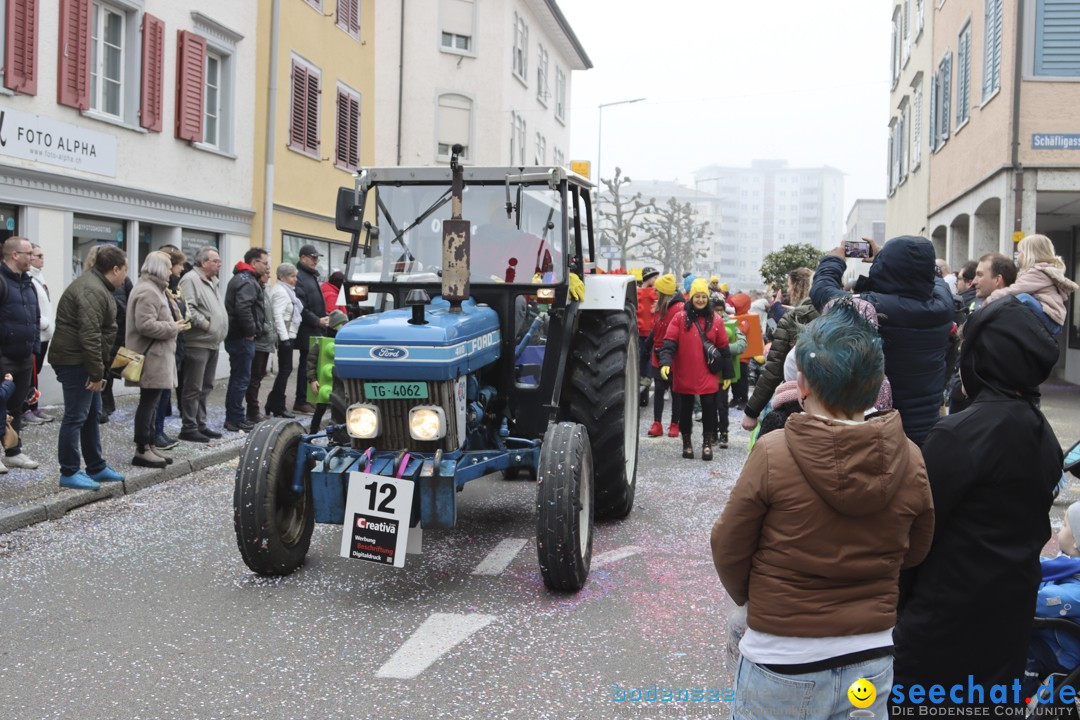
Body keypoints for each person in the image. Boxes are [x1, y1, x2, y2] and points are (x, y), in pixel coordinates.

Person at [712, 302, 934, 720]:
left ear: (804, 384)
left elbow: (729, 545)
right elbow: (917, 548)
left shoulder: (773, 452)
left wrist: (759, 595)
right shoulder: (910, 456)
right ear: (875, 386)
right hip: (870, 656)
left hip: (781, 656)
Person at [893, 295, 1064, 703]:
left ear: (980, 358)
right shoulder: (1042, 434)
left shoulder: (958, 435)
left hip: (941, 624)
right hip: (1008, 617)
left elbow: (916, 535)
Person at [810, 236, 953, 447]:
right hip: (927, 428)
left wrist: (834, 260)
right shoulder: (943, 305)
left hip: (882, 427)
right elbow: (935, 278)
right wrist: (886, 258)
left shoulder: (871, 308)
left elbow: (822, 292)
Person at [47, 245, 128, 490]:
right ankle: (69, 471)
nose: (126, 276)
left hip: (82, 361)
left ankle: (96, 466)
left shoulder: (97, 286)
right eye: (125, 270)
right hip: (76, 362)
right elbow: (90, 335)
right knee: (75, 417)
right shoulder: (92, 289)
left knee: (92, 414)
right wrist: (96, 373)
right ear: (115, 269)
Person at [658, 278, 733, 461]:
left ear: (707, 298)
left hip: (707, 372)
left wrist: (728, 373)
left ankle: (707, 443)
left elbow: (723, 348)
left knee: (709, 408)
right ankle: (687, 443)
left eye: (703, 297)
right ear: (691, 298)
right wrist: (665, 362)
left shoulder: (715, 320)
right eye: (697, 296)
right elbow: (669, 343)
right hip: (685, 371)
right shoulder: (680, 318)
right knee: (685, 409)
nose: (700, 300)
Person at [126, 251, 183, 469]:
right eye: (168, 267)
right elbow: (145, 325)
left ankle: (148, 445)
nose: (171, 271)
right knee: (148, 403)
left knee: (152, 402)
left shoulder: (152, 288)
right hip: (151, 357)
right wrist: (173, 327)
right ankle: (142, 448)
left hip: (156, 356)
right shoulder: (148, 291)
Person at [741, 268, 817, 432]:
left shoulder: (794, 317)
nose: (788, 290)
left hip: (797, 400)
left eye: (790, 285)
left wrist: (752, 410)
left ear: (798, 286)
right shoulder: (844, 313)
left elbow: (774, 369)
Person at [1024, 502, 1080, 700]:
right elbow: (1043, 567)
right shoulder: (1068, 565)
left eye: (1065, 525)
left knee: (1018, 651)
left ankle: (1016, 703)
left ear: (1076, 542)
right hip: (1052, 640)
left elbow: (1040, 604)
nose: (1059, 529)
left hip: (1061, 656)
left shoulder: (1077, 591)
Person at [178, 247, 228, 443]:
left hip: (212, 342)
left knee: (206, 386)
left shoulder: (211, 281)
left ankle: (201, 423)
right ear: (203, 262)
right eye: (215, 261)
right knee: (193, 387)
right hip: (198, 342)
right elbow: (187, 307)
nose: (219, 264)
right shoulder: (191, 279)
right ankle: (189, 426)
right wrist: (206, 325)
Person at [0, 236, 41, 472]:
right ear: (15, 255)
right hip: (4, 356)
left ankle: (13, 451)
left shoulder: (28, 283)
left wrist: (34, 348)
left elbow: (33, 318)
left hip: (25, 356)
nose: (32, 258)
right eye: (29, 254)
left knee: (16, 407)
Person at [985, 234, 1078, 335]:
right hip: (1052, 320)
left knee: (1023, 298)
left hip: (1050, 320)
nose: (1017, 256)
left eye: (1020, 252)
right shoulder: (1042, 272)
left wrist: (991, 299)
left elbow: (1014, 290)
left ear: (1029, 254)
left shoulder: (1037, 273)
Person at [224, 247, 268, 433]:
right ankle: (235, 418)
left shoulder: (242, 278)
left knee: (239, 378)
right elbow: (243, 308)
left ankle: (234, 417)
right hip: (242, 338)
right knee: (241, 379)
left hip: (238, 336)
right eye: (264, 263)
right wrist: (251, 331)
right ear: (254, 263)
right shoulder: (247, 281)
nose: (267, 268)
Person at [153, 246, 187, 450]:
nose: (181, 269)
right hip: (163, 348)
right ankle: (154, 432)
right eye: (179, 265)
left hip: (175, 344)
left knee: (165, 392)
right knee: (157, 396)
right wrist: (173, 326)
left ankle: (159, 430)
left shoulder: (174, 288)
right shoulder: (159, 290)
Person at [98, 246, 133, 424]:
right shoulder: (96, 286)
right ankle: (103, 405)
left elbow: (131, 302)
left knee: (111, 371)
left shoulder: (125, 282)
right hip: (107, 333)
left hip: (120, 332)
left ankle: (107, 404)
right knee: (103, 370)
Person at [647, 274, 684, 438]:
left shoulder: (680, 309)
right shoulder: (658, 308)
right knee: (659, 389)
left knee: (676, 391)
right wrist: (644, 350)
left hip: (675, 355)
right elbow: (655, 330)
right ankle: (657, 423)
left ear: (663, 292)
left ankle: (675, 423)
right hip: (657, 354)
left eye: (657, 291)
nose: (655, 293)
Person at [293, 244, 329, 415]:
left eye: (317, 258)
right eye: (313, 258)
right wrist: (317, 321)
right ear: (303, 258)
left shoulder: (311, 276)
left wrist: (325, 316)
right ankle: (301, 400)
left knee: (312, 365)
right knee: (305, 366)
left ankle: (309, 398)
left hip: (315, 328)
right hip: (307, 329)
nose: (316, 261)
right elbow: (302, 306)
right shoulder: (300, 277)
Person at [23, 243, 54, 425]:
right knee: (30, 374)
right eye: (38, 255)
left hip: (44, 335)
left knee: (36, 374)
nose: (42, 258)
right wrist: (44, 323)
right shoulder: (28, 278)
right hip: (38, 332)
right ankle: (26, 409)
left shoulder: (38, 277)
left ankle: (34, 406)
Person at [266, 263, 302, 418]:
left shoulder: (286, 291)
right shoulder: (281, 292)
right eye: (292, 276)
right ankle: (277, 404)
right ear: (282, 277)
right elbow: (278, 316)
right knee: (285, 371)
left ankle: (274, 403)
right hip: (285, 336)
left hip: (289, 334)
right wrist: (285, 339)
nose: (295, 279)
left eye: (295, 276)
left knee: (285, 371)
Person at [307, 309, 349, 433]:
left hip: (341, 384)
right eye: (342, 325)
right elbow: (311, 362)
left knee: (341, 409)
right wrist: (312, 380)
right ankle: (313, 432)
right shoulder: (323, 344)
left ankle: (339, 432)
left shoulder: (346, 343)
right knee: (321, 408)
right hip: (327, 383)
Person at [246, 266, 277, 424]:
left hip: (266, 341)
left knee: (259, 376)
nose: (268, 275)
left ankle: (254, 409)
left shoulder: (264, 291)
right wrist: (262, 328)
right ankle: (252, 410)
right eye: (266, 273)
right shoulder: (256, 289)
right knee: (254, 377)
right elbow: (255, 314)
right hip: (259, 341)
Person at [636, 266, 659, 407]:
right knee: (640, 353)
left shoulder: (656, 293)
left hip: (651, 330)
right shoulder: (636, 291)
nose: (656, 280)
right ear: (648, 277)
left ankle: (647, 377)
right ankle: (640, 376)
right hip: (639, 329)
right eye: (654, 277)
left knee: (650, 354)